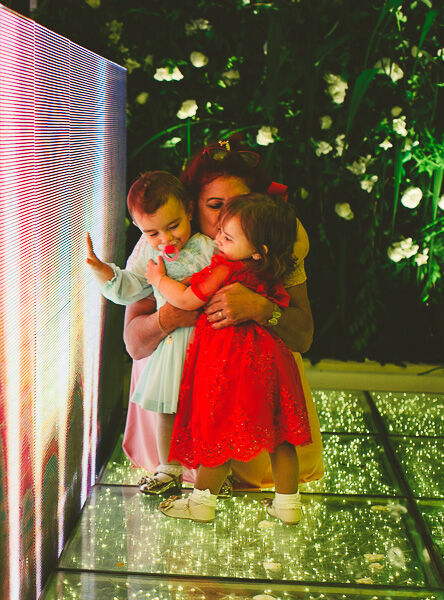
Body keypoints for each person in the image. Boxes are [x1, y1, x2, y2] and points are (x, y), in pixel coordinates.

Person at [120, 135, 323, 491]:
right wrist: (174, 314)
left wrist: (262, 309)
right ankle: (172, 467)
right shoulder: (165, 241)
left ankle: (255, 478)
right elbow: (134, 344)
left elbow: (303, 336)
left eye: (240, 204)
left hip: (247, 406)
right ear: (190, 207)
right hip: (172, 397)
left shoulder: (270, 247)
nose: (227, 216)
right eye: (215, 205)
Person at [148, 193, 311, 524]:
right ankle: (288, 504)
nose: (218, 239)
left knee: (220, 432)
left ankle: (201, 503)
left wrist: (157, 279)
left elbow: (187, 298)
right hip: (273, 360)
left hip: (232, 363)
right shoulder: (269, 271)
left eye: (227, 236)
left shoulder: (225, 270)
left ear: (256, 250)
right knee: (279, 435)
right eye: (220, 231)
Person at [85, 172, 216, 497]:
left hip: (205, 341)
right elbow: (132, 288)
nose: (165, 239)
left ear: (188, 210)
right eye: (152, 231)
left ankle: (212, 471)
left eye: (173, 226)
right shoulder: (148, 250)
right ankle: (167, 466)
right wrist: (107, 275)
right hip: (171, 343)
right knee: (166, 406)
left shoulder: (205, 246)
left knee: (206, 408)